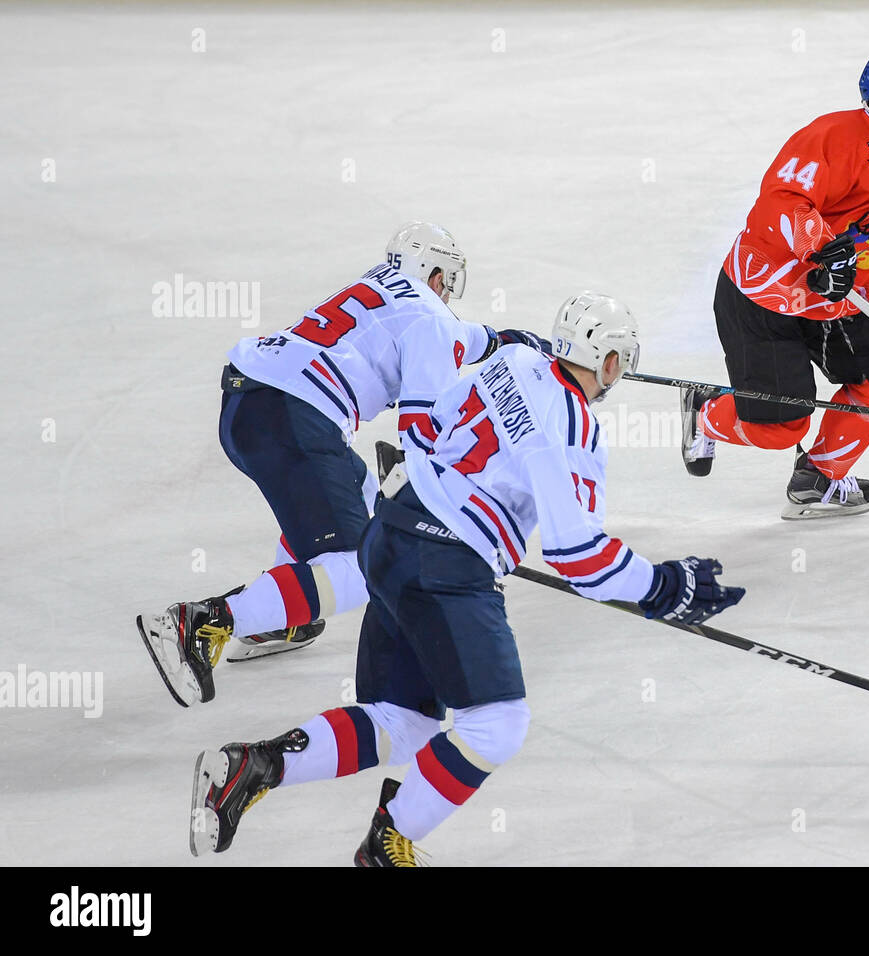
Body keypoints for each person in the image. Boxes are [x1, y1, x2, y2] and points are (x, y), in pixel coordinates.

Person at [185, 292, 745, 865]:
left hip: (391, 534)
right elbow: (579, 556)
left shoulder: (513, 362)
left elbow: (423, 429)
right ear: (608, 363)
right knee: (495, 726)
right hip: (445, 568)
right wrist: (663, 587)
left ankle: (253, 767)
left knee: (403, 722)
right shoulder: (572, 430)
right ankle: (388, 842)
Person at [137, 221, 549, 707]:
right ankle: (204, 622)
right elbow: (420, 434)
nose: (447, 291)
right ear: (435, 274)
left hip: (249, 405)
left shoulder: (384, 287)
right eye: (447, 279)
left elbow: (448, 335)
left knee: (354, 512)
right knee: (359, 566)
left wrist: (503, 341)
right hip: (294, 421)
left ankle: (284, 615)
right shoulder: (432, 320)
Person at [681, 49, 869, 519]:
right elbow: (780, 202)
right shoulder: (832, 136)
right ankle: (707, 413)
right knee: (780, 428)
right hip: (764, 299)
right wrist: (823, 247)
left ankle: (821, 477)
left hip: (833, 304)